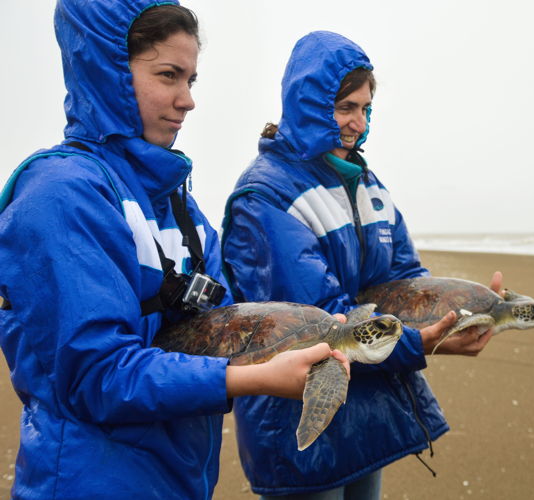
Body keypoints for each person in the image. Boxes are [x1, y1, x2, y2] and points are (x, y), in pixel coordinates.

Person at [0, 4, 347, 499]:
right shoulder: (60, 194)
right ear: (109, 71)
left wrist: (303, 339)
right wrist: (245, 378)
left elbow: (226, 321)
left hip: (182, 479)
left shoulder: (178, 203)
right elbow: (94, 375)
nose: (187, 101)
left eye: (192, 80)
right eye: (168, 75)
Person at [222, 31, 502, 499]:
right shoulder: (266, 196)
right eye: (345, 107)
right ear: (308, 104)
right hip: (300, 424)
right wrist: (420, 345)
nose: (359, 123)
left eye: (366, 109)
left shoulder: (367, 183)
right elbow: (322, 324)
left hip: (367, 410)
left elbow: (403, 282)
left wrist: (464, 308)